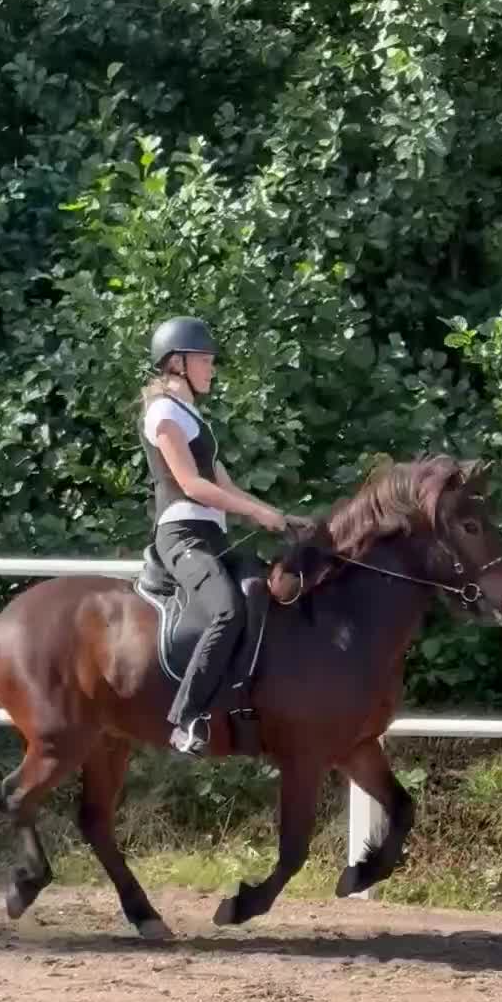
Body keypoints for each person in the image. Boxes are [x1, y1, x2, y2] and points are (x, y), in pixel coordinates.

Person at [141, 315, 292, 755]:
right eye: (205, 360)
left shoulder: (195, 418)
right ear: (178, 363)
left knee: (257, 591)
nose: (212, 369)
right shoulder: (163, 412)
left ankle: (240, 705)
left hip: (214, 536)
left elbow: (224, 487)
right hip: (181, 536)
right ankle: (185, 719)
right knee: (224, 609)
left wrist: (277, 515)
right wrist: (256, 512)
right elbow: (191, 485)